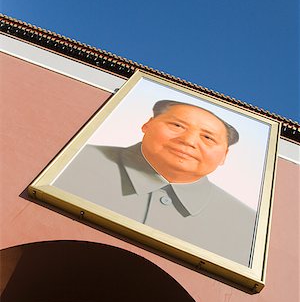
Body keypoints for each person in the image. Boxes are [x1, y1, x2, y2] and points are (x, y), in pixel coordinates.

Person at [54, 100, 256, 266]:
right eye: (177, 126)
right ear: (147, 125)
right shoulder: (74, 160)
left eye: (208, 137)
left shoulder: (246, 226)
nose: (189, 141)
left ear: (224, 155)